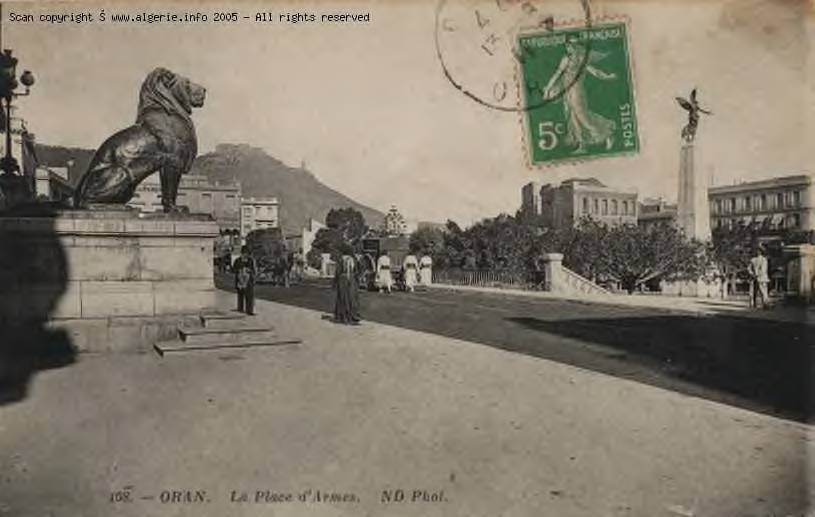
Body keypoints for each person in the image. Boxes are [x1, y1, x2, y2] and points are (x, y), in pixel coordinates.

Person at [542, 37, 617, 154]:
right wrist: (548, 89)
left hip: (577, 91)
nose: (573, 47)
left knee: (583, 116)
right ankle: (582, 145)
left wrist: (606, 77)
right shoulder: (566, 59)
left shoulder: (581, 58)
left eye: (575, 45)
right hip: (567, 91)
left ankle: (607, 134)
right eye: (571, 45)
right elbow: (557, 74)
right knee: (572, 118)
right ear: (567, 47)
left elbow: (594, 71)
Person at [334, 251, 361, 324]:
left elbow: (337, 272)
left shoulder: (340, 260)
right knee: (352, 298)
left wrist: (335, 282)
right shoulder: (353, 259)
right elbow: (357, 271)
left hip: (342, 279)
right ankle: (353, 316)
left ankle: (342, 317)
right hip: (351, 280)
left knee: (342, 298)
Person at [233, 246, 257, 315]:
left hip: (249, 281)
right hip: (240, 280)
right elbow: (234, 269)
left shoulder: (251, 260)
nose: (246, 255)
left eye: (247, 253)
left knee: (249, 296)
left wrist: (249, 271)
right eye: (244, 253)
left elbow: (254, 270)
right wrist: (239, 270)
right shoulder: (237, 260)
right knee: (240, 295)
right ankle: (240, 308)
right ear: (242, 253)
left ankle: (249, 310)